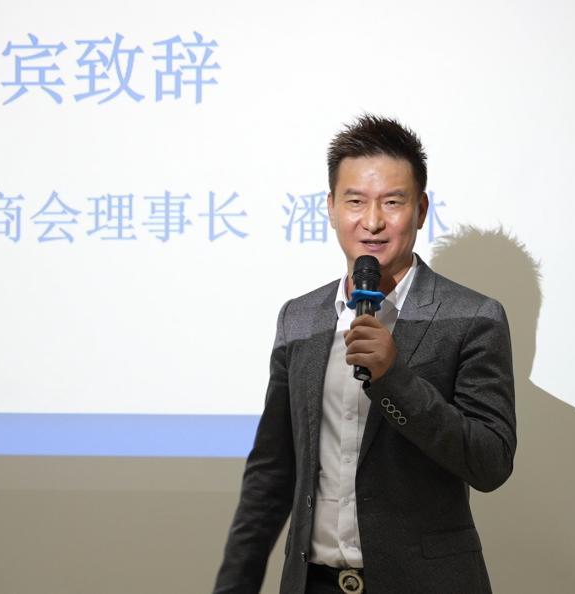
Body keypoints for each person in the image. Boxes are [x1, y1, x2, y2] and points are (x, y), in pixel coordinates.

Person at [213, 115, 516, 594]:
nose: (372, 221)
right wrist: (235, 584)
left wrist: (394, 377)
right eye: (355, 201)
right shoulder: (300, 319)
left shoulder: (473, 317)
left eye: (392, 202)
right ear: (331, 208)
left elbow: (490, 462)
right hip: (313, 582)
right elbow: (272, 472)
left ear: (420, 210)